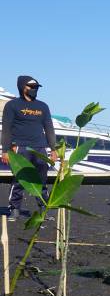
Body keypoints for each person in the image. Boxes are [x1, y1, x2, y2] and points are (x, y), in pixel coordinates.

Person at [1, 76, 58, 221]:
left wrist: (53, 148)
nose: (34, 89)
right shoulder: (12, 105)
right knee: (20, 179)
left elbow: (49, 128)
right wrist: (5, 150)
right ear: (22, 87)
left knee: (41, 180)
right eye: (31, 87)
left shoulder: (43, 106)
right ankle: (14, 209)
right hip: (20, 147)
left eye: (36, 87)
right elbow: (6, 129)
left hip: (40, 148)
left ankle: (44, 208)